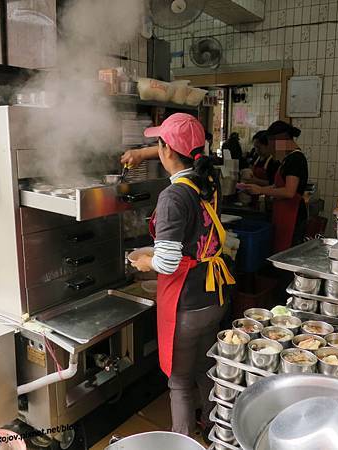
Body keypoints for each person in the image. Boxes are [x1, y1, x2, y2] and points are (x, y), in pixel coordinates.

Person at [123, 113, 235, 437]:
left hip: (187, 303)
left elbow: (169, 263)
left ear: (166, 150)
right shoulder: (207, 184)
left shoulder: (172, 196)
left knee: (179, 382)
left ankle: (182, 443)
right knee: (204, 368)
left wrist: (144, 262)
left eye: (158, 143)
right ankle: (216, 432)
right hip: (214, 296)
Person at [239, 120, 308, 251]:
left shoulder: (296, 159)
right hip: (283, 212)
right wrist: (258, 190)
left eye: (272, 144)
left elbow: (289, 191)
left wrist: (260, 189)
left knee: (288, 257)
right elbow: (276, 186)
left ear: (281, 140)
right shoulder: (288, 159)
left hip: (293, 215)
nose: (272, 149)